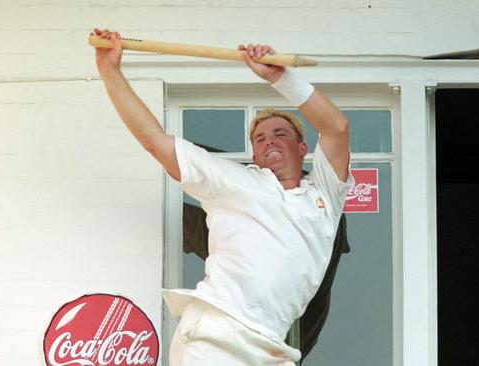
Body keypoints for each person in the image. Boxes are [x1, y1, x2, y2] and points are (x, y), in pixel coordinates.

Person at [91, 28, 353, 365]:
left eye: (280, 134)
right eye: (259, 139)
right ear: (255, 155)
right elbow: (154, 141)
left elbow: (337, 128)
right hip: (217, 335)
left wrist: (281, 78)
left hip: (273, 346)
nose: (268, 141)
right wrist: (110, 71)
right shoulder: (234, 181)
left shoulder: (325, 195)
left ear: (302, 148)